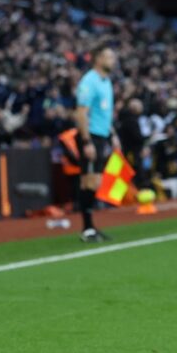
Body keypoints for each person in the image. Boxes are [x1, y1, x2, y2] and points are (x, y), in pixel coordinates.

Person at [74, 44, 120, 242]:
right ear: (98, 59)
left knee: (93, 181)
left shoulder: (106, 81)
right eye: (109, 57)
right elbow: (81, 113)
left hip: (101, 135)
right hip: (91, 136)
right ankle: (87, 229)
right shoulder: (89, 81)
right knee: (90, 181)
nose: (113, 60)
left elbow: (103, 113)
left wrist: (113, 133)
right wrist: (86, 141)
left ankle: (90, 227)